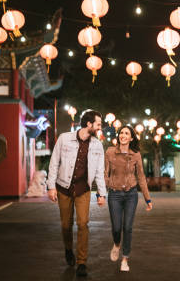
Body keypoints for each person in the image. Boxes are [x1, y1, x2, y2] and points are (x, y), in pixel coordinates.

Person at [47, 110, 107, 277]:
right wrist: (51, 186)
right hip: (63, 188)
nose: (100, 127)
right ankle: (68, 249)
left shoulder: (97, 145)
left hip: (83, 190)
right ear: (89, 124)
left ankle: (82, 262)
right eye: (98, 124)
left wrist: (101, 193)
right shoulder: (65, 138)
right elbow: (54, 162)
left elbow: (99, 171)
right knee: (66, 225)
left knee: (83, 224)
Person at [104, 125, 152, 272]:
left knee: (128, 227)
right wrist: (104, 189)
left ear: (131, 138)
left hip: (131, 194)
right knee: (117, 227)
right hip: (115, 194)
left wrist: (147, 198)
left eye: (126, 133)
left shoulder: (136, 154)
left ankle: (125, 259)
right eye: (121, 133)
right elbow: (105, 173)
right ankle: (117, 244)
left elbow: (141, 177)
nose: (123, 135)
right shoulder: (110, 152)